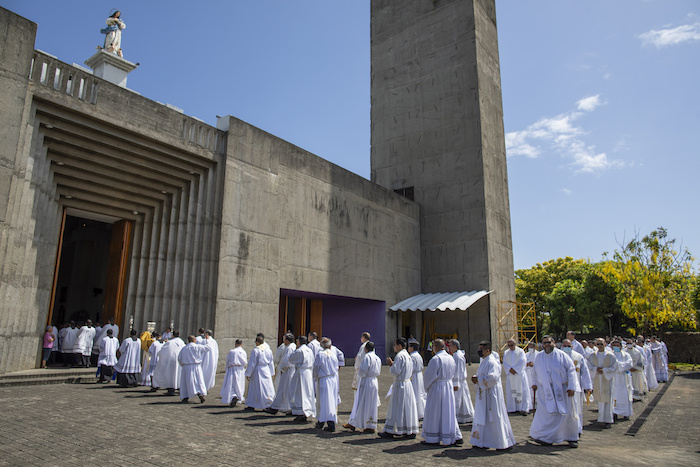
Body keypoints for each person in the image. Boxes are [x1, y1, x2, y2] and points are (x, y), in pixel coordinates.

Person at [529, 335, 581, 448]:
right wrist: (534, 383)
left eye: (548, 342)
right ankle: (546, 438)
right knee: (546, 415)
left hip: (562, 390)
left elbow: (571, 371)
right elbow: (534, 372)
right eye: (544, 343)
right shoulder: (539, 357)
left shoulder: (562, 356)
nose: (546, 345)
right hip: (545, 390)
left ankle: (571, 437)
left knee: (566, 415)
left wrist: (572, 387)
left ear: (554, 343)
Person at [470, 341, 516, 450]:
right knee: (483, 417)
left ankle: (500, 442)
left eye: (481, 349)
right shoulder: (484, 361)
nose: (479, 351)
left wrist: (479, 380)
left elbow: (493, 378)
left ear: (487, 350)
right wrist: (476, 378)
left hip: (491, 395)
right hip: (483, 394)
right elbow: (482, 374)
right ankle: (483, 441)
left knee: (494, 417)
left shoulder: (492, 362)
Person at [421, 339, 463, 446]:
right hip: (448, 386)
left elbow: (429, 377)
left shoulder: (436, 359)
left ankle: (433, 437)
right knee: (448, 412)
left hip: (437, 387)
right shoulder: (450, 358)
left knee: (434, 412)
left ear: (435, 347)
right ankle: (452, 435)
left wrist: (426, 388)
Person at [379, 338, 419, 439]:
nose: (394, 347)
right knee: (407, 408)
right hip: (407, 384)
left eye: (395, 345)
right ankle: (409, 430)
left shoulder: (400, 356)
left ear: (400, 346)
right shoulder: (408, 356)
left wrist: (391, 365)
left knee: (396, 407)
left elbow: (396, 371)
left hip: (400, 384)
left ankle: (391, 430)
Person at [345, 341, 381, 433]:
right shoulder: (377, 358)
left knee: (360, 402)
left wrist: (360, 376)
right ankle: (370, 424)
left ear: (365, 349)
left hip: (366, 381)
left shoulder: (367, 357)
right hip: (374, 381)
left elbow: (362, 371)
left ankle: (355, 422)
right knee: (371, 404)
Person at [561, 338, 592, 435]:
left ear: (572, 347)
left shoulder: (578, 357)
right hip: (561, 388)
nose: (566, 348)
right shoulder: (558, 356)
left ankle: (577, 429)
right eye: (565, 346)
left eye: (568, 346)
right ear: (562, 346)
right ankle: (562, 430)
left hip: (575, 387)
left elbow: (585, 372)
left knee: (576, 409)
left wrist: (588, 386)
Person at [587, 337, 618, 428]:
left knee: (608, 400)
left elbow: (615, 367)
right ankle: (601, 418)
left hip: (607, 379)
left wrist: (604, 370)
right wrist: (596, 369)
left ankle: (608, 420)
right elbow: (588, 366)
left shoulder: (611, 355)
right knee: (600, 400)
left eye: (601, 344)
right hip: (597, 379)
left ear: (605, 344)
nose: (599, 346)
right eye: (598, 344)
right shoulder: (592, 355)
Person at [265, 333, 296, 414]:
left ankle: (275, 407)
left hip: (287, 371)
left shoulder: (289, 348)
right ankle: (288, 407)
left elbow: (286, 361)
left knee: (282, 389)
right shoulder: (293, 347)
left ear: (287, 340)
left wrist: (282, 369)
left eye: (284, 339)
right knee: (287, 390)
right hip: (291, 370)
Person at [313, 337, 339, 431]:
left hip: (324, 379)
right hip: (332, 379)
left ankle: (329, 422)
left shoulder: (320, 355)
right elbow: (336, 368)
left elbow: (316, 367)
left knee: (324, 401)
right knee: (330, 401)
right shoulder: (333, 354)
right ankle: (321, 421)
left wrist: (315, 377)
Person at [289, 335, 316, 423]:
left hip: (301, 374)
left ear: (299, 342)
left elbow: (291, 359)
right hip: (308, 373)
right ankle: (307, 410)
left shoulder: (300, 350)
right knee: (307, 393)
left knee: (300, 393)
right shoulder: (309, 350)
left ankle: (301, 412)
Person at [245, 334, 275, 410]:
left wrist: (248, 373)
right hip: (266, 369)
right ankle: (267, 403)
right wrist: (272, 372)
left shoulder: (256, 350)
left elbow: (252, 363)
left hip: (257, 370)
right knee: (266, 387)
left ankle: (252, 404)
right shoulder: (268, 350)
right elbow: (271, 362)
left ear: (258, 342)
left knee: (255, 388)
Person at [178, 335, 211, 403]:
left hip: (186, 367)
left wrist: (183, 364)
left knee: (186, 382)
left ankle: (185, 396)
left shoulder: (184, 348)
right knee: (198, 380)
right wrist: (207, 340)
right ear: (194, 340)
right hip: (196, 366)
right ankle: (200, 393)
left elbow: (179, 358)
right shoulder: (197, 346)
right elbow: (208, 348)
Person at [502, 338, 531, 415]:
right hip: (511, 374)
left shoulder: (520, 351)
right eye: (509, 345)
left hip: (519, 374)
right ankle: (512, 408)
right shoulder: (506, 352)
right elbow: (505, 362)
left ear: (515, 344)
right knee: (511, 391)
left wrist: (516, 370)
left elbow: (523, 361)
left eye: (512, 345)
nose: (510, 347)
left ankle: (523, 408)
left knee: (522, 391)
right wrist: (509, 369)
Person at [448, 339, 474, 423]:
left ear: (455, 346)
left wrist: (456, 383)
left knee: (458, 400)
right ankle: (464, 415)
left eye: (450, 346)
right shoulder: (456, 355)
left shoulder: (458, 356)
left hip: (458, 381)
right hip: (460, 381)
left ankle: (458, 417)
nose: (449, 348)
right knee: (463, 399)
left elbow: (458, 370)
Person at [152, 331, 186, 395]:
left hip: (171, 361)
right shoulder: (182, 342)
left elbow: (163, 351)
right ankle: (180, 389)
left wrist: (160, 355)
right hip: (179, 361)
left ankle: (171, 390)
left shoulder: (170, 342)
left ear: (172, 335)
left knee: (170, 376)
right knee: (178, 375)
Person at [611, 339, 633, 421]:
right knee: (614, 395)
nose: (616, 347)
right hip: (613, 377)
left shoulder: (626, 355)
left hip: (623, 378)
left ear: (621, 346)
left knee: (625, 395)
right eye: (614, 345)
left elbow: (629, 364)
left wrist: (618, 365)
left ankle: (625, 413)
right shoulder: (610, 355)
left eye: (618, 345)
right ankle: (614, 412)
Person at [221, 339, 248, 407]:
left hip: (232, 369)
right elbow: (245, 362)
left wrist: (226, 368)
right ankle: (239, 395)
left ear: (235, 344)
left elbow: (228, 360)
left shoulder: (232, 351)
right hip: (241, 369)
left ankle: (233, 396)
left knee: (232, 384)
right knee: (240, 384)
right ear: (241, 344)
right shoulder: (243, 352)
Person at [408, 341, 426, 420]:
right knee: (420, 393)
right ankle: (421, 412)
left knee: (415, 393)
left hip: (414, 376)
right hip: (419, 375)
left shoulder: (412, 356)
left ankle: (416, 412)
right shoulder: (418, 355)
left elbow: (410, 367)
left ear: (412, 348)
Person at [525, 341, 539, 411]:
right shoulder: (526, 355)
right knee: (528, 388)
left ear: (534, 347)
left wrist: (534, 364)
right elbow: (522, 363)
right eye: (529, 347)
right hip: (528, 372)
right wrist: (527, 364)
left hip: (535, 373)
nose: (530, 349)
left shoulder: (538, 354)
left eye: (531, 347)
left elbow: (540, 363)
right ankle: (530, 405)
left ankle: (537, 405)